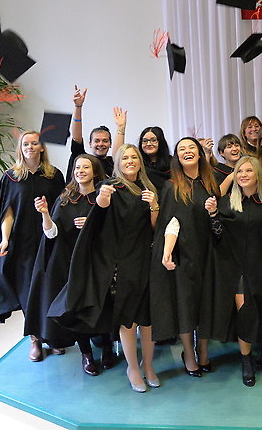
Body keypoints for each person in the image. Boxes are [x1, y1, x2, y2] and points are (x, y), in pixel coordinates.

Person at [51, 144, 160, 392]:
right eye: (125, 158)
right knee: (128, 320)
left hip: (146, 260)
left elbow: (155, 228)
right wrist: (102, 199)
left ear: (140, 162)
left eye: (134, 157)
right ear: (118, 163)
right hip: (122, 264)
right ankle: (133, 369)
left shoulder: (149, 188)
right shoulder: (111, 186)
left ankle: (148, 365)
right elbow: (99, 212)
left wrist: (154, 206)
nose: (130, 161)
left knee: (148, 319)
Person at [0, 130, 66, 362]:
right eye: (25, 144)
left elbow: (61, 209)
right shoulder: (11, 177)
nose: (30, 147)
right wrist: (5, 239)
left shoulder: (53, 175)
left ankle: (53, 336)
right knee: (28, 291)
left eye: (34, 143)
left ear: (42, 147)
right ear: (20, 148)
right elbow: (7, 212)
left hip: (48, 240)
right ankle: (35, 339)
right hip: (22, 244)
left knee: (50, 288)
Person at [25, 154, 105, 375]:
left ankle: (107, 348)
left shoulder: (103, 198)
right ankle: (86, 354)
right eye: (77, 167)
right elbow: (51, 234)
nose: (80, 171)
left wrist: (91, 224)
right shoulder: (65, 199)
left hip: (98, 262)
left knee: (102, 305)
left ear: (95, 172)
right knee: (76, 308)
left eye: (86, 167)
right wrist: (45, 214)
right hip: (70, 263)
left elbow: (113, 230)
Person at [204, 156, 262, 387]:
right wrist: (213, 215)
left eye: (248, 171)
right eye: (239, 171)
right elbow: (218, 235)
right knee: (244, 313)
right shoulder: (227, 203)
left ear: (257, 174)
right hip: (236, 268)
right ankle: (246, 361)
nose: (243, 175)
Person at [152, 137, 220, 378]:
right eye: (182, 149)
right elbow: (171, 222)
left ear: (200, 154)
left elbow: (219, 222)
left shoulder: (211, 183)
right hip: (184, 256)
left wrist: (214, 212)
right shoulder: (171, 187)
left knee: (206, 304)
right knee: (185, 306)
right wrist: (167, 251)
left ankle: (203, 350)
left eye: (192, 147)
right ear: (177, 157)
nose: (187, 151)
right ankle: (189, 354)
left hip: (208, 254)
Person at [67, 85, 114, 178]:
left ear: (110, 144)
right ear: (90, 144)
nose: (101, 144)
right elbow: (76, 138)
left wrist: (121, 128)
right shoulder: (82, 158)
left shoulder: (113, 163)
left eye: (105, 141)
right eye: (96, 141)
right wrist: (78, 107)